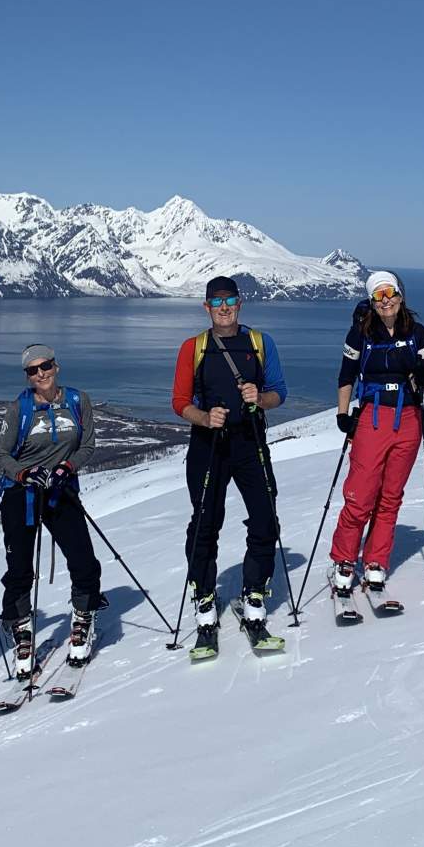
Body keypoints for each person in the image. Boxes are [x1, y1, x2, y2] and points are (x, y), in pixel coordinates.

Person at [171, 275, 288, 658]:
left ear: (240, 303)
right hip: (208, 446)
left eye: (230, 300)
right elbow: (179, 400)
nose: (224, 308)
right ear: (207, 307)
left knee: (265, 518)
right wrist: (205, 418)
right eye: (217, 302)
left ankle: (254, 595)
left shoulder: (260, 343)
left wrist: (261, 399)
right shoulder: (194, 347)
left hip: (250, 441)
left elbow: (279, 391)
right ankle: (205, 599)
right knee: (205, 523)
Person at [0, 343, 105, 676]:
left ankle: (83, 617)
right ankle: (21, 628)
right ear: (27, 376)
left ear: (56, 366)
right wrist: (24, 473)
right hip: (21, 493)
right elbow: (2, 455)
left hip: (60, 488)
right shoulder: (19, 409)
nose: (41, 373)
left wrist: (67, 467)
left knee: (83, 559)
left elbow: (88, 445)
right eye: (33, 370)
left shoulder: (77, 400)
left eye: (46, 366)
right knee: (19, 568)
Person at [329, 270, 424, 598]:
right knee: (360, 495)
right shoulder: (360, 333)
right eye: (378, 295)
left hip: (408, 418)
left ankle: (376, 560)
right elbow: (346, 376)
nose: (385, 300)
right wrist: (343, 414)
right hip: (373, 418)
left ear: (400, 295)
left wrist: (422, 378)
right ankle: (344, 560)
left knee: (391, 496)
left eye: (389, 292)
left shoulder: (417, 332)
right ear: (372, 301)